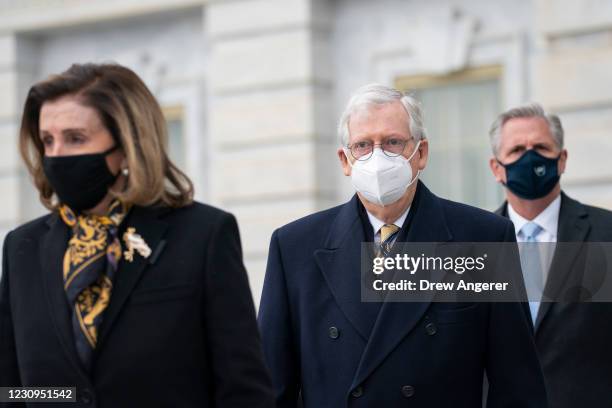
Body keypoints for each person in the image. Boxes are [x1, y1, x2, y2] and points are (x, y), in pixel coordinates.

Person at [0, 63, 274, 407]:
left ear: (126, 145)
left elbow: (243, 387)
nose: (55, 156)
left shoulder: (203, 235)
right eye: (47, 141)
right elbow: (13, 390)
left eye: (75, 138)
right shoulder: (22, 248)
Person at [258, 84, 547, 408]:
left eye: (393, 142)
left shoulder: (484, 238)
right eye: (363, 145)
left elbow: (519, 387)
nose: (377, 156)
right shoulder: (295, 248)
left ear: (420, 153)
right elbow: (270, 389)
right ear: (345, 159)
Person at [489, 103, 612, 408]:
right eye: (517, 149)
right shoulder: (474, 244)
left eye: (542, 147)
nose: (530, 158)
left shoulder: (606, 234)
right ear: (496, 168)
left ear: (562, 159)